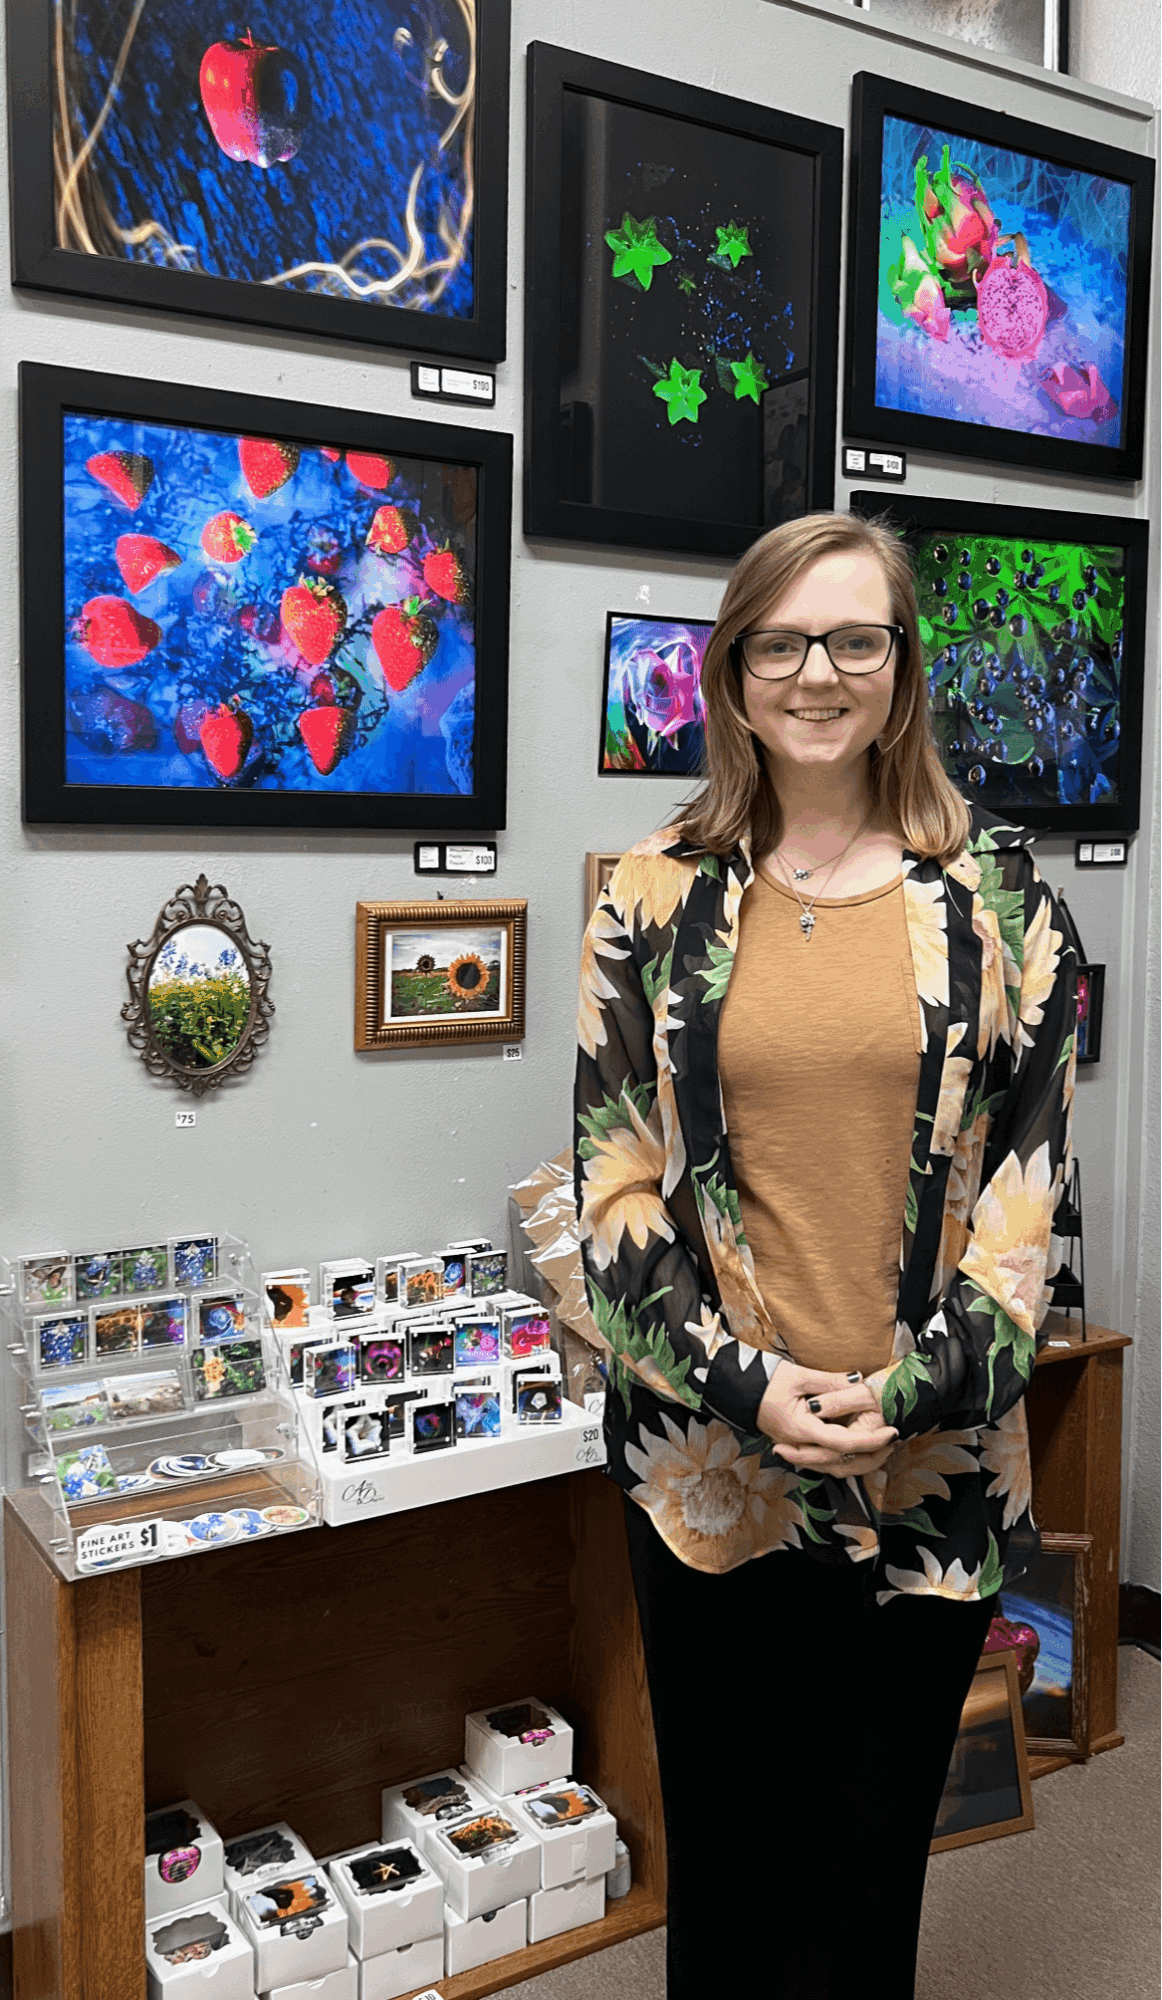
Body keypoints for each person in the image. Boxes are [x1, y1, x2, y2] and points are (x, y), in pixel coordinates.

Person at [573, 510, 1077, 1999]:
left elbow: (1027, 1200)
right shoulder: (650, 892)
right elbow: (615, 1185)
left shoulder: (1000, 898)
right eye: (781, 642)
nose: (817, 674)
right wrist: (746, 1385)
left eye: (856, 640)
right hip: (708, 1468)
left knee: (867, 1881)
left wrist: (907, 1391)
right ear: (732, 671)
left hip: (930, 1467)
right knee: (732, 1873)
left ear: (901, 666)